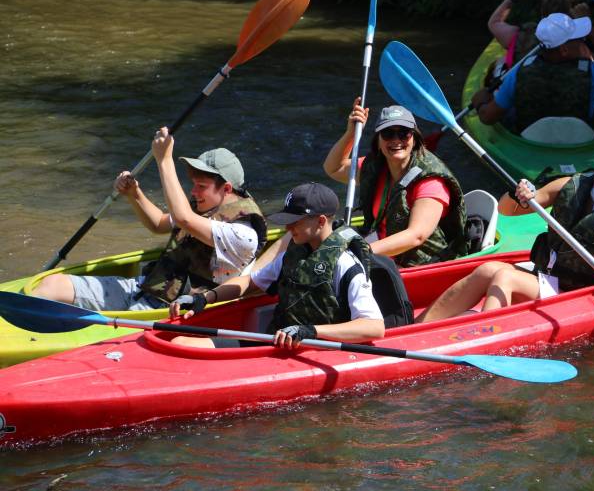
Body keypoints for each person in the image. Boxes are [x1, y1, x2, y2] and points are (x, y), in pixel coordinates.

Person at [417, 134, 594, 323]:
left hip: (579, 293)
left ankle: (487, 335)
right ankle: (418, 327)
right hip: (549, 278)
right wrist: (518, 194)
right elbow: (509, 209)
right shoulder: (568, 185)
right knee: (487, 269)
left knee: (505, 276)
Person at [34, 127, 267, 311]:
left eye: (201, 186)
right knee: (50, 285)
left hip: (173, 310)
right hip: (146, 288)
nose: (193, 192)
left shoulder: (243, 235)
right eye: (193, 184)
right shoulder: (205, 206)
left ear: (226, 188)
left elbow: (183, 219)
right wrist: (134, 194)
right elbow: (159, 224)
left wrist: (164, 160)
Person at [169, 182, 385, 349]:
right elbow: (250, 282)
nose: (288, 227)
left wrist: (311, 331)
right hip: (278, 343)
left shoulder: (346, 264)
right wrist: (205, 298)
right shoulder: (294, 252)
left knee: (184, 345)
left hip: (313, 348)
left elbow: (374, 327)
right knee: (180, 341)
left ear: (320, 221)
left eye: (296, 220)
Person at [322, 100, 468, 267]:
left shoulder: (431, 181)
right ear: (378, 140)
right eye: (388, 134)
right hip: (382, 252)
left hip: (420, 264)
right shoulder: (378, 166)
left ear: (414, 137)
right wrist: (351, 133)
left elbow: (416, 235)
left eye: (404, 133)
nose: (396, 140)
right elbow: (333, 168)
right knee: (312, 229)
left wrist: (357, 252)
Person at [471, 10, 594, 137]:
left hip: (531, 140)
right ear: (564, 50)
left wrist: (480, 102)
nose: (582, 40)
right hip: (579, 140)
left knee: (508, 108)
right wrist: (593, 29)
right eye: (578, 39)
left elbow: (487, 117)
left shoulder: (518, 73)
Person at [486, 0, 582, 71]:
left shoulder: (525, 35)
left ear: (542, 10)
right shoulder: (581, 41)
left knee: (501, 61)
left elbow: (494, 23)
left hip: (528, 83)